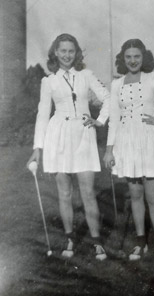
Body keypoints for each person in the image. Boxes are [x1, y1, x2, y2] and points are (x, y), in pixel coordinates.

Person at [103, 39, 154, 269]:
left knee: (153, 198)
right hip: (126, 142)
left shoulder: (152, 79)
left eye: (137, 56)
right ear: (123, 59)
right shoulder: (117, 84)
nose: (132, 61)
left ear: (144, 58)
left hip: (149, 140)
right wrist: (109, 150)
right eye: (128, 57)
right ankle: (141, 243)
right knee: (135, 196)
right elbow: (113, 119)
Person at [27, 33, 110, 260]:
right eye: (62, 51)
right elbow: (43, 115)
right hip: (58, 136)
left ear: (77, 53)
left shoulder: (86, 75)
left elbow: (108, 98)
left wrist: (100, 120)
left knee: (88, 192)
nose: (66, 55)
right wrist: (38, 148)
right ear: (55, 52)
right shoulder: (49, 81)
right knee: (64, 193)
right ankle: (71, 239)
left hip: (83, 135)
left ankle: (96, 242)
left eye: (71, 51)